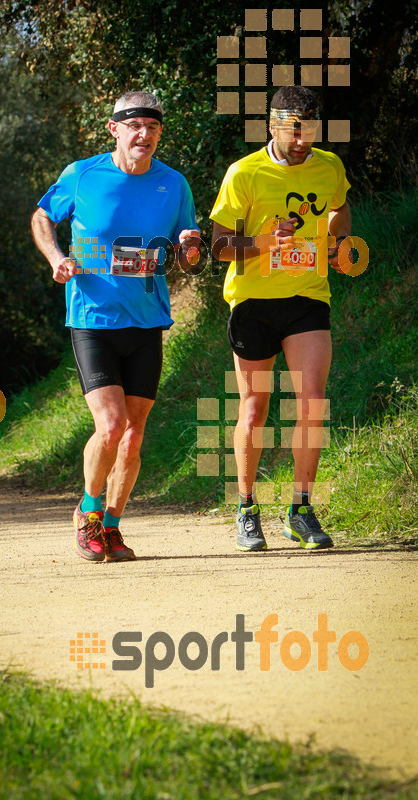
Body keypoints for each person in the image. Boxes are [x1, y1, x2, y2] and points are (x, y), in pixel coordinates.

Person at [31, 90, 200, 563]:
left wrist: (190, 248)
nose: (144, 135)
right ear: (115, 129)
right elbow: (42, 216)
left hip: (147, 321)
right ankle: (86, 513)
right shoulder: (83, 175)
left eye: (152, 127)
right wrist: (57, 256)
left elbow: (187, 259)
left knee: (134, 432)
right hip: (93, 319)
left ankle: (111, 526)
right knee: (111, 426)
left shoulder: (175, 185)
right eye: (135, 126)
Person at [210, 86, 352, 552]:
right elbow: (219, 247)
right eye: (293, 130)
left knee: (312, 402)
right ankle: (247, 508)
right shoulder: (244, 173)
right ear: (272, 126)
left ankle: (301, 509)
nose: (301, 139)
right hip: (252, 300)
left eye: (309, 129)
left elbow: (339, 207)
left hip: (307, 296)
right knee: (255, 409)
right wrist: (266, 242)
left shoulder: (329, 166)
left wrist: (336, 243)